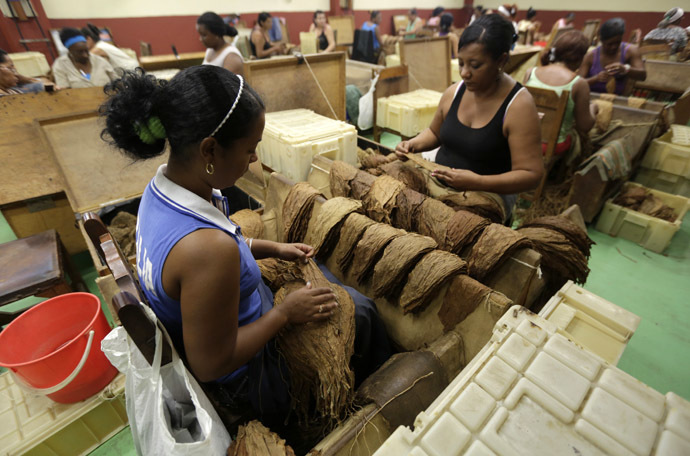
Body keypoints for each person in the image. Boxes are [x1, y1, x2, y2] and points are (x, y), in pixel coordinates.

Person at [99, 66, 391, 425]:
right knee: (361, 312)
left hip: (226, 323)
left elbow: (213, 249)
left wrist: (269, 248)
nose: (254, 159)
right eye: (250, 149)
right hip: (248, 378)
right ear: (210, 150)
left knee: (324, 281)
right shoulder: (206, 250)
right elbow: (210, 365)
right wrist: (284, 314)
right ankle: (361, 402)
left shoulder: (159, 193)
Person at [395, 14, 543, 216]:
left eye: (475, 65)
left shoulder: (518, 106)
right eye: (461, 63)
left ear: (501, 60)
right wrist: (413, 144)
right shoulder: (454, 92)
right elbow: (435, 133)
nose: (464, 73)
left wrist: (478, 181)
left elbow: (531, 174)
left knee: (455, 229)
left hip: (487, 194)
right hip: (438, 179)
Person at [524, 31, 596, 156]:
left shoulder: (530, 73)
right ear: (580, 58)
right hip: (551, 145)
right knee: (577, 138)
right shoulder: (578, 83)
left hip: (521, 139)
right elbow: (584, 126)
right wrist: (594, 108)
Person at [579, 18, 646, 95]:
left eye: (617, 42)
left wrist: (625, 69)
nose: (614, 47)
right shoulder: (590, 56)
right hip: (592, 97)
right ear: (601, 40)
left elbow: (643, 75)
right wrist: (596, 78)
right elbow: (577, 83)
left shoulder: (630, 51)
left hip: (617, 99)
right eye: (609, 44)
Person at [52, 28, 116, 88]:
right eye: (80, 52)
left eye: (86, 50)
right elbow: (65, 91)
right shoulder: (61, 65)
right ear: (70, 51)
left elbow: (116, 82)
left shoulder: (100, 61)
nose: (85, 55)